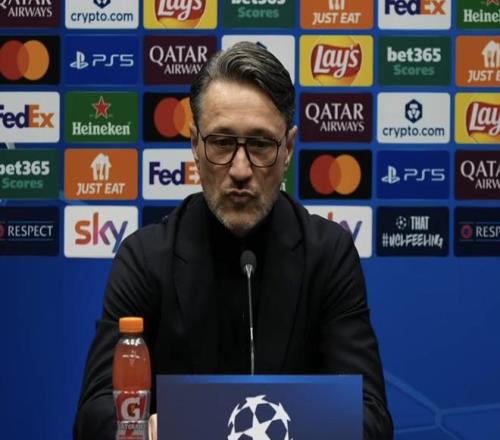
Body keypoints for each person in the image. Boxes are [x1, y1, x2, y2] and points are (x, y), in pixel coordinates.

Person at [74, 41, 393, 440]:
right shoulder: (144, 258)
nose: (240, 170)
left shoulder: (328, 255)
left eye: (260, 145)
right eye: (222, 143)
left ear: (288, 148)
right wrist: (142, 429)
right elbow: (95, 415)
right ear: (195, 145)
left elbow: (370, 419)